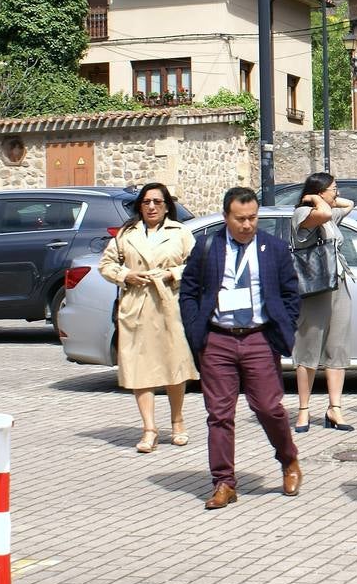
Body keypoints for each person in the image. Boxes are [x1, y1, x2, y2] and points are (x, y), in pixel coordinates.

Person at [179, 186, 303, 510]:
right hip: (218, 338)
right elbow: (188, 292)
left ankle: (288, 459)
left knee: (268, 407)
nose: (247, 225)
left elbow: (291, 294)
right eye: (240, 219)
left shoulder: (274, 248)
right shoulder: (208, 246)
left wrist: (285, 327)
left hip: (259, 337)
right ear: (226, 217)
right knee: (219, 414)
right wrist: (197, 333)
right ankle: (223, 482)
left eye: (252, 218)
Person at [98, 182, 197, 454]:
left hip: (169, 303)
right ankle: (149, 428)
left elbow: (196, 264)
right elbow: (106, 265)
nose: (152, 207)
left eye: (157, 202)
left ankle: (177, 421)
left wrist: (172, 274)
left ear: (167, 206)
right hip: (136, 304)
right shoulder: (126, 233)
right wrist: (125, 276)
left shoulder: (180, 232)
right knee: (139, 368)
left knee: (174, 364)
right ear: (139, 205)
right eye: (146, 202)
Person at [291, 172, 356, 433]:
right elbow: (325, 215)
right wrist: (313, 199)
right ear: (318, 193)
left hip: (338, 283)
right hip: (314, 288)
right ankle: (304, 410)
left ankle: (335, 408)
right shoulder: (302, 215)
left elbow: (349, 205)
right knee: (307, 347)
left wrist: (331, 198)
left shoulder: (329, 208)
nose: (337, 193)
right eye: (333, 189)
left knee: (337, 346)